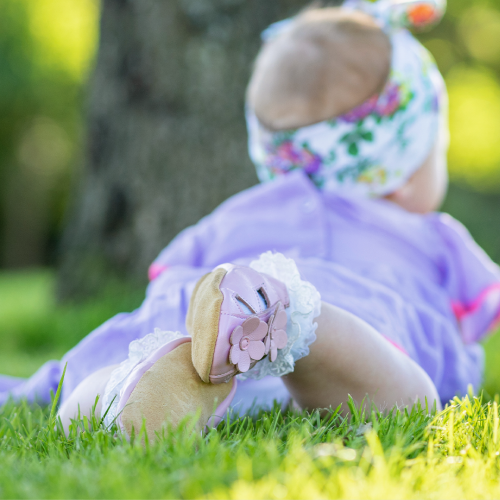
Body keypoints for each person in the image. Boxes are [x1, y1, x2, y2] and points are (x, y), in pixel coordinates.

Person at [3, 0, 500, 439]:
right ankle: (303, 325)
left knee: (113, 367)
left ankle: (121, 386)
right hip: (353, 315)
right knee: (410, 398)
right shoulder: (433, 237)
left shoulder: (235, 215)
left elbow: (169, 277)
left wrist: (31, 388)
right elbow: (476, 314)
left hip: (210, 315)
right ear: (404, 168)